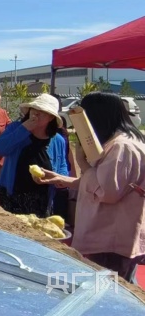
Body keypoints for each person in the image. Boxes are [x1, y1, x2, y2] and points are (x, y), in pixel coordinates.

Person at [37, 92, 145, 283]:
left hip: (110, 240)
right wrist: (63, 179)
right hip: (113, 237)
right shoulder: (123, 142)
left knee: (109, 295)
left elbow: (107, 192)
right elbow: (107, 182)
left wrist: (83, 162)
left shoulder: (122, 147)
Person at [0, 94, 67, 217]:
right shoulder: (16, 128)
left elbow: (62, 165)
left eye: (42, 111)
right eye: (34, 109)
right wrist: (24, 129)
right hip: (10, 194)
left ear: (51, 118)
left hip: (41, 199)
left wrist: (61, 178)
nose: (36, 114)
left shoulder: (57, 140)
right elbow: (0, 149)